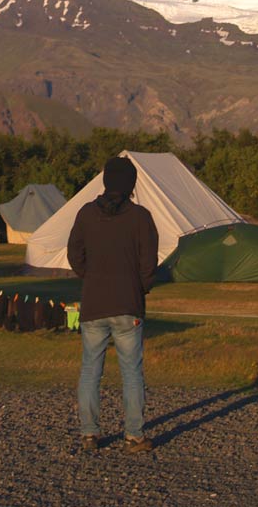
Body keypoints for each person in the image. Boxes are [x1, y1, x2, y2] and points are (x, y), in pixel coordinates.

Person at [68, 156, 158, 454]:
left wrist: (89, 277)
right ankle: (133, 435)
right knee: (131, 372)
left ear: (106, 181)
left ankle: (89, 434)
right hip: (128, 303)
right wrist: (140, 287)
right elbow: (149, 263)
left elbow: (74, 254)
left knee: (90, 368)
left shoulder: (85, 214)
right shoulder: (141, 217)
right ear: (131, 184)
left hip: (94, 302)